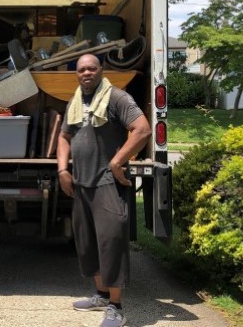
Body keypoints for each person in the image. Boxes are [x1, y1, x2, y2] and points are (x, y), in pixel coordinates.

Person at [56, 54, 151, 327]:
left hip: (107, 183)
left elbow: (142, 129)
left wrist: (118, 160)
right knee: (88, 244)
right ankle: (100, 295)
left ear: (100, 71)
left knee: (112, 244)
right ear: (77, 73)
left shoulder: (116, 98)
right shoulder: (75, 102)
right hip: (82, 184)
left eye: (91, 68)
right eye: (81, 69)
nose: (86, 73)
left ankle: (117, 308)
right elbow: (64, 136)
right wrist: (63, 170)